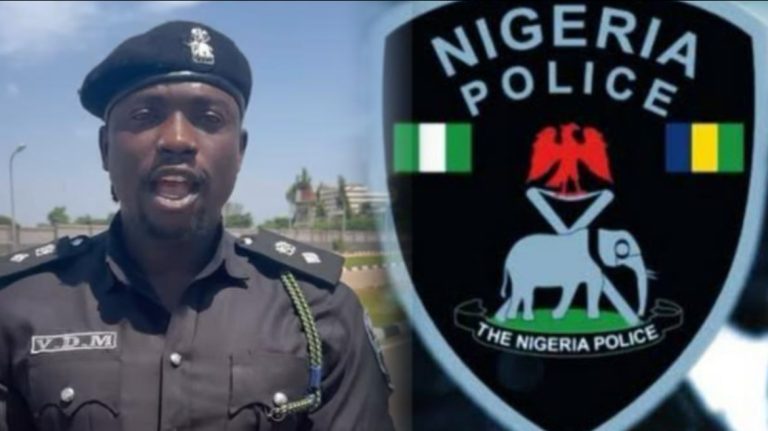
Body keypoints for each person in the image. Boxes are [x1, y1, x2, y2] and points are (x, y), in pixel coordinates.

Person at [0, 21, 394, 431]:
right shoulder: (16, 305)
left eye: (208, 117)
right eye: (145, 115)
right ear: (105, 148)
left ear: (239, 152)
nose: (177, 139)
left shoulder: (318, 310)